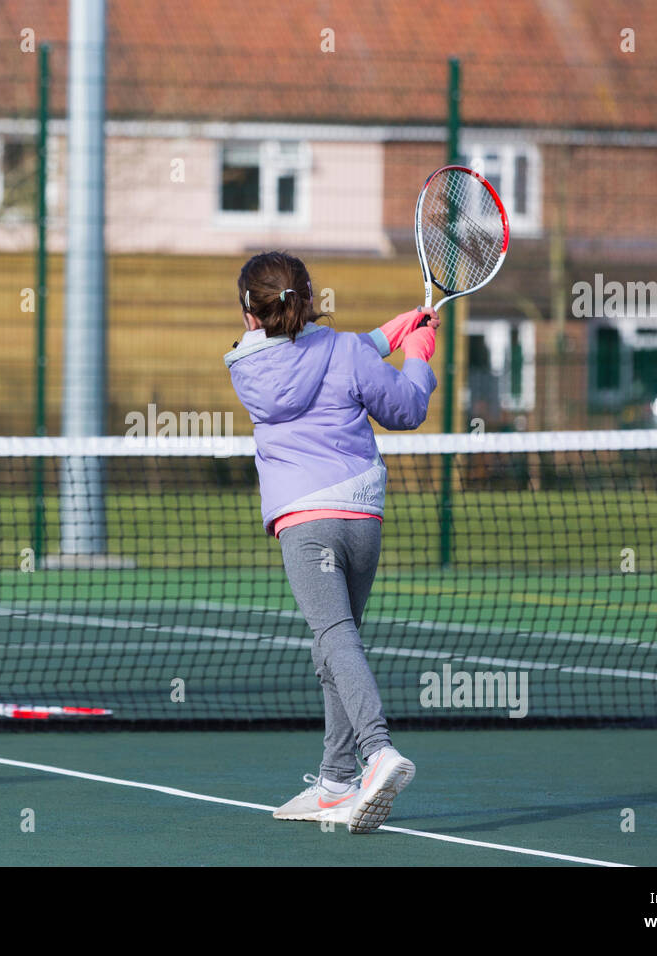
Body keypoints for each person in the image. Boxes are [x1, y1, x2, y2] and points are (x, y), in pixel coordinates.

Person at [224, 251, 438, 834]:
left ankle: (378, 753)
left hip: (305, 521)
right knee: (337, 645)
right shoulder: (343, 350)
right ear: (311, 297)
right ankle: (335, 782)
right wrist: (415, 354)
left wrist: (391, 333)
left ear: (250, 312)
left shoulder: (248, 369)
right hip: (363, 516)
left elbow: (316, 354)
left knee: (334, 637)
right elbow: (406, 404)